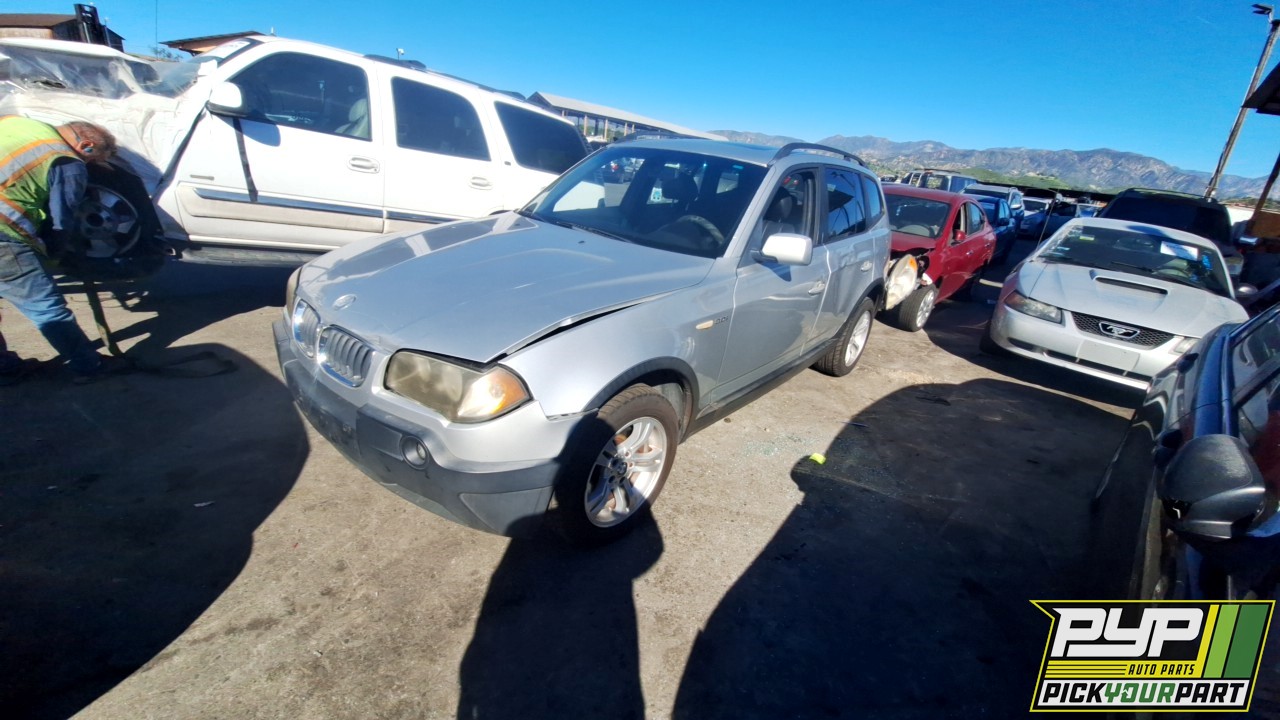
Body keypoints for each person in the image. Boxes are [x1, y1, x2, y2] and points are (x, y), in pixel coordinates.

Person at [0, 116, 120, 385]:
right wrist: (56, 256)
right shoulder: (66, 161)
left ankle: (4, 369)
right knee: (46, 308)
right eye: (91, 161)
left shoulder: (17, 122)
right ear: (86, 145)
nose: (87, 166)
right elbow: (60, 221)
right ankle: (88, 366)